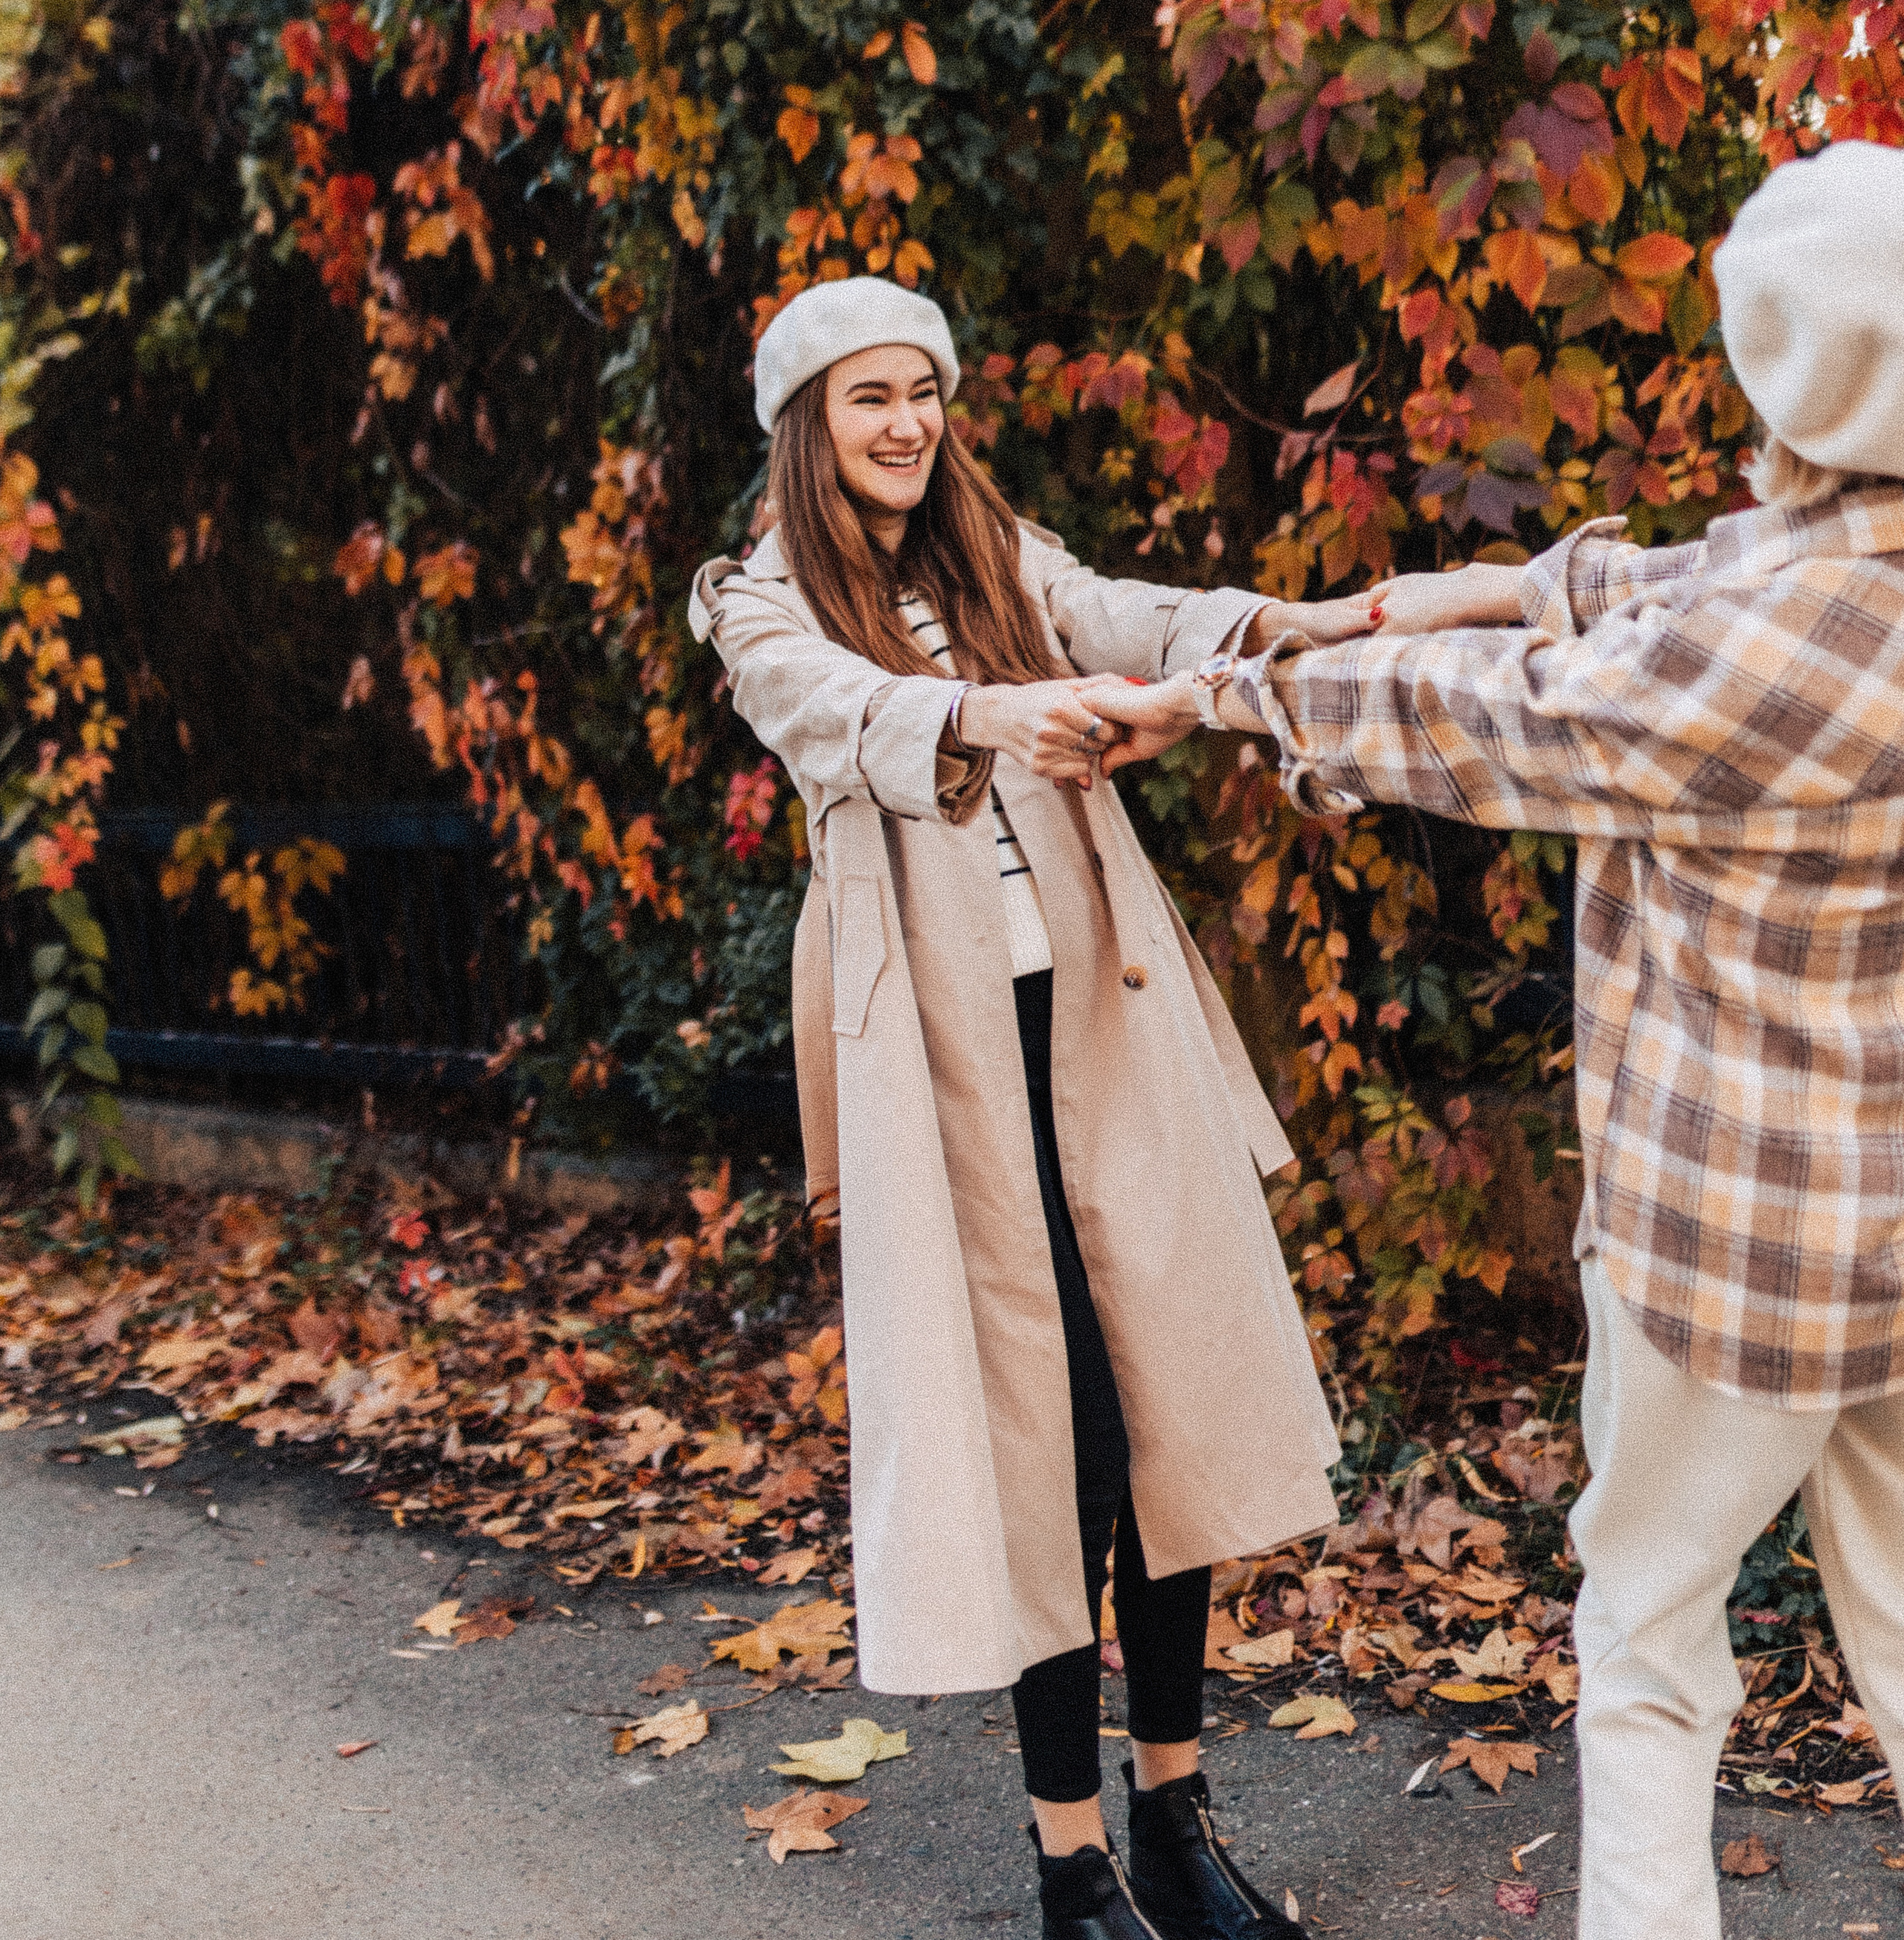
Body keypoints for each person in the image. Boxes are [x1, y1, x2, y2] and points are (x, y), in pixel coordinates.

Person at [1065, 140, 1904, 1940]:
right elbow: (1662, 585)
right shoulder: (1813, 585)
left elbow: (1494, 725)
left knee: (1649, 1637)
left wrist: (1229, 686)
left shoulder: (1770, 652)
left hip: (1743, 1249)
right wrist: (1440, 591)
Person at [689, 275, 1371, 1940]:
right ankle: (1068, 1860)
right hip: (944, 1066)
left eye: (923, 390)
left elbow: (1125, 616)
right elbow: (840, 721)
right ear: (807, 425)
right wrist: (992, 713)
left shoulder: (999, 558)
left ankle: (1171, 1821)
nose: (908, 422)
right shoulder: (756, 602)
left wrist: (1280, 627)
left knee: (1164, 1416)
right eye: (869, 397)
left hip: (1103, 1020)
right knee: (1046, 1442)